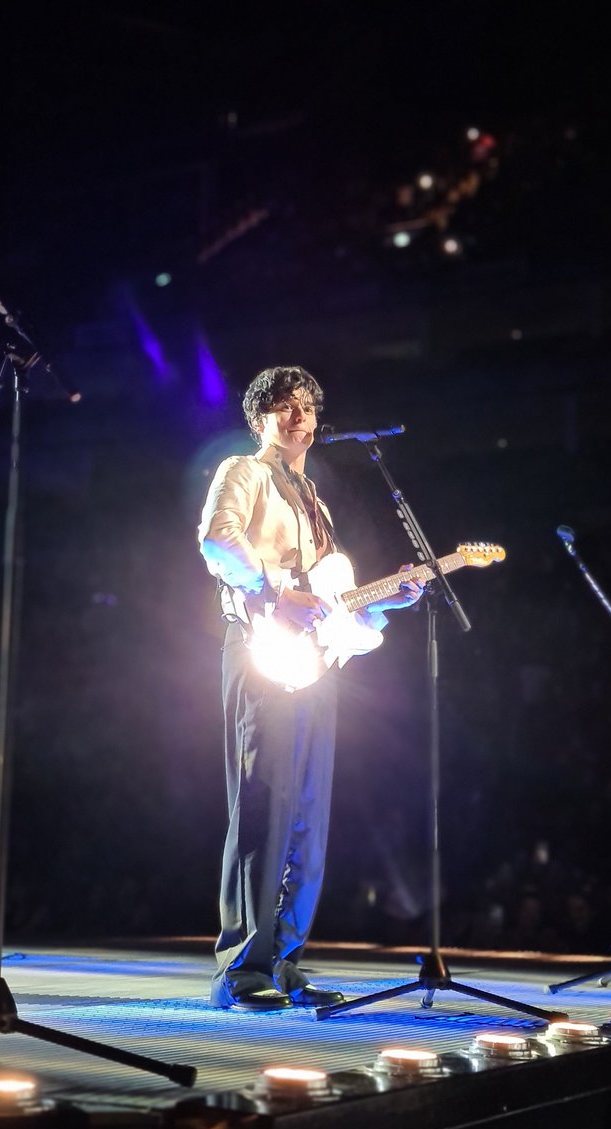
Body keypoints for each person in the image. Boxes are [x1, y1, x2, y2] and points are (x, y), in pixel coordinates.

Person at [197, 365, 422, 1011]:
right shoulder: (241, 471)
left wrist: (392, 598)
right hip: (261, 648)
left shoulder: (313, 499)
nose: (298, 418)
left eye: (306, 408)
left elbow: (334, 606)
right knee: (264, 806)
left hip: (313, 663)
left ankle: (287, 961)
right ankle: (240, 970)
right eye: (283, 407)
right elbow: (218, 541)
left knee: (307, 817)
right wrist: (273, 588)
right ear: (259, 418)